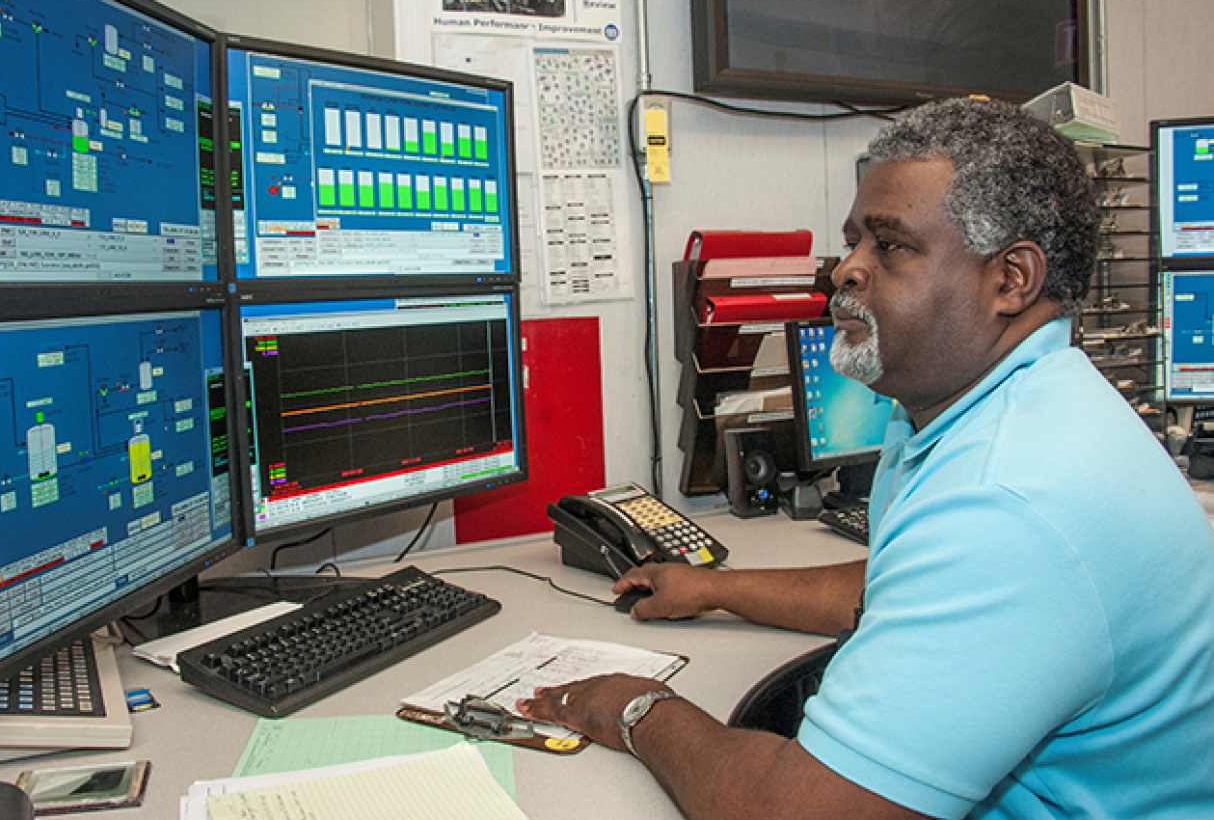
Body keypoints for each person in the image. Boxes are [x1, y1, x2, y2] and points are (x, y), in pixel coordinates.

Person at [517, 98, 1214, 819]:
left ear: (1012, 279)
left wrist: (635, 709)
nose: (846, 268)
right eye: (852, 241)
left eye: (891, 245)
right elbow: (904, 588)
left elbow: (797, 813)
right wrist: (714, 587)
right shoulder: (1004, 408)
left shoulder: (1008, 497)